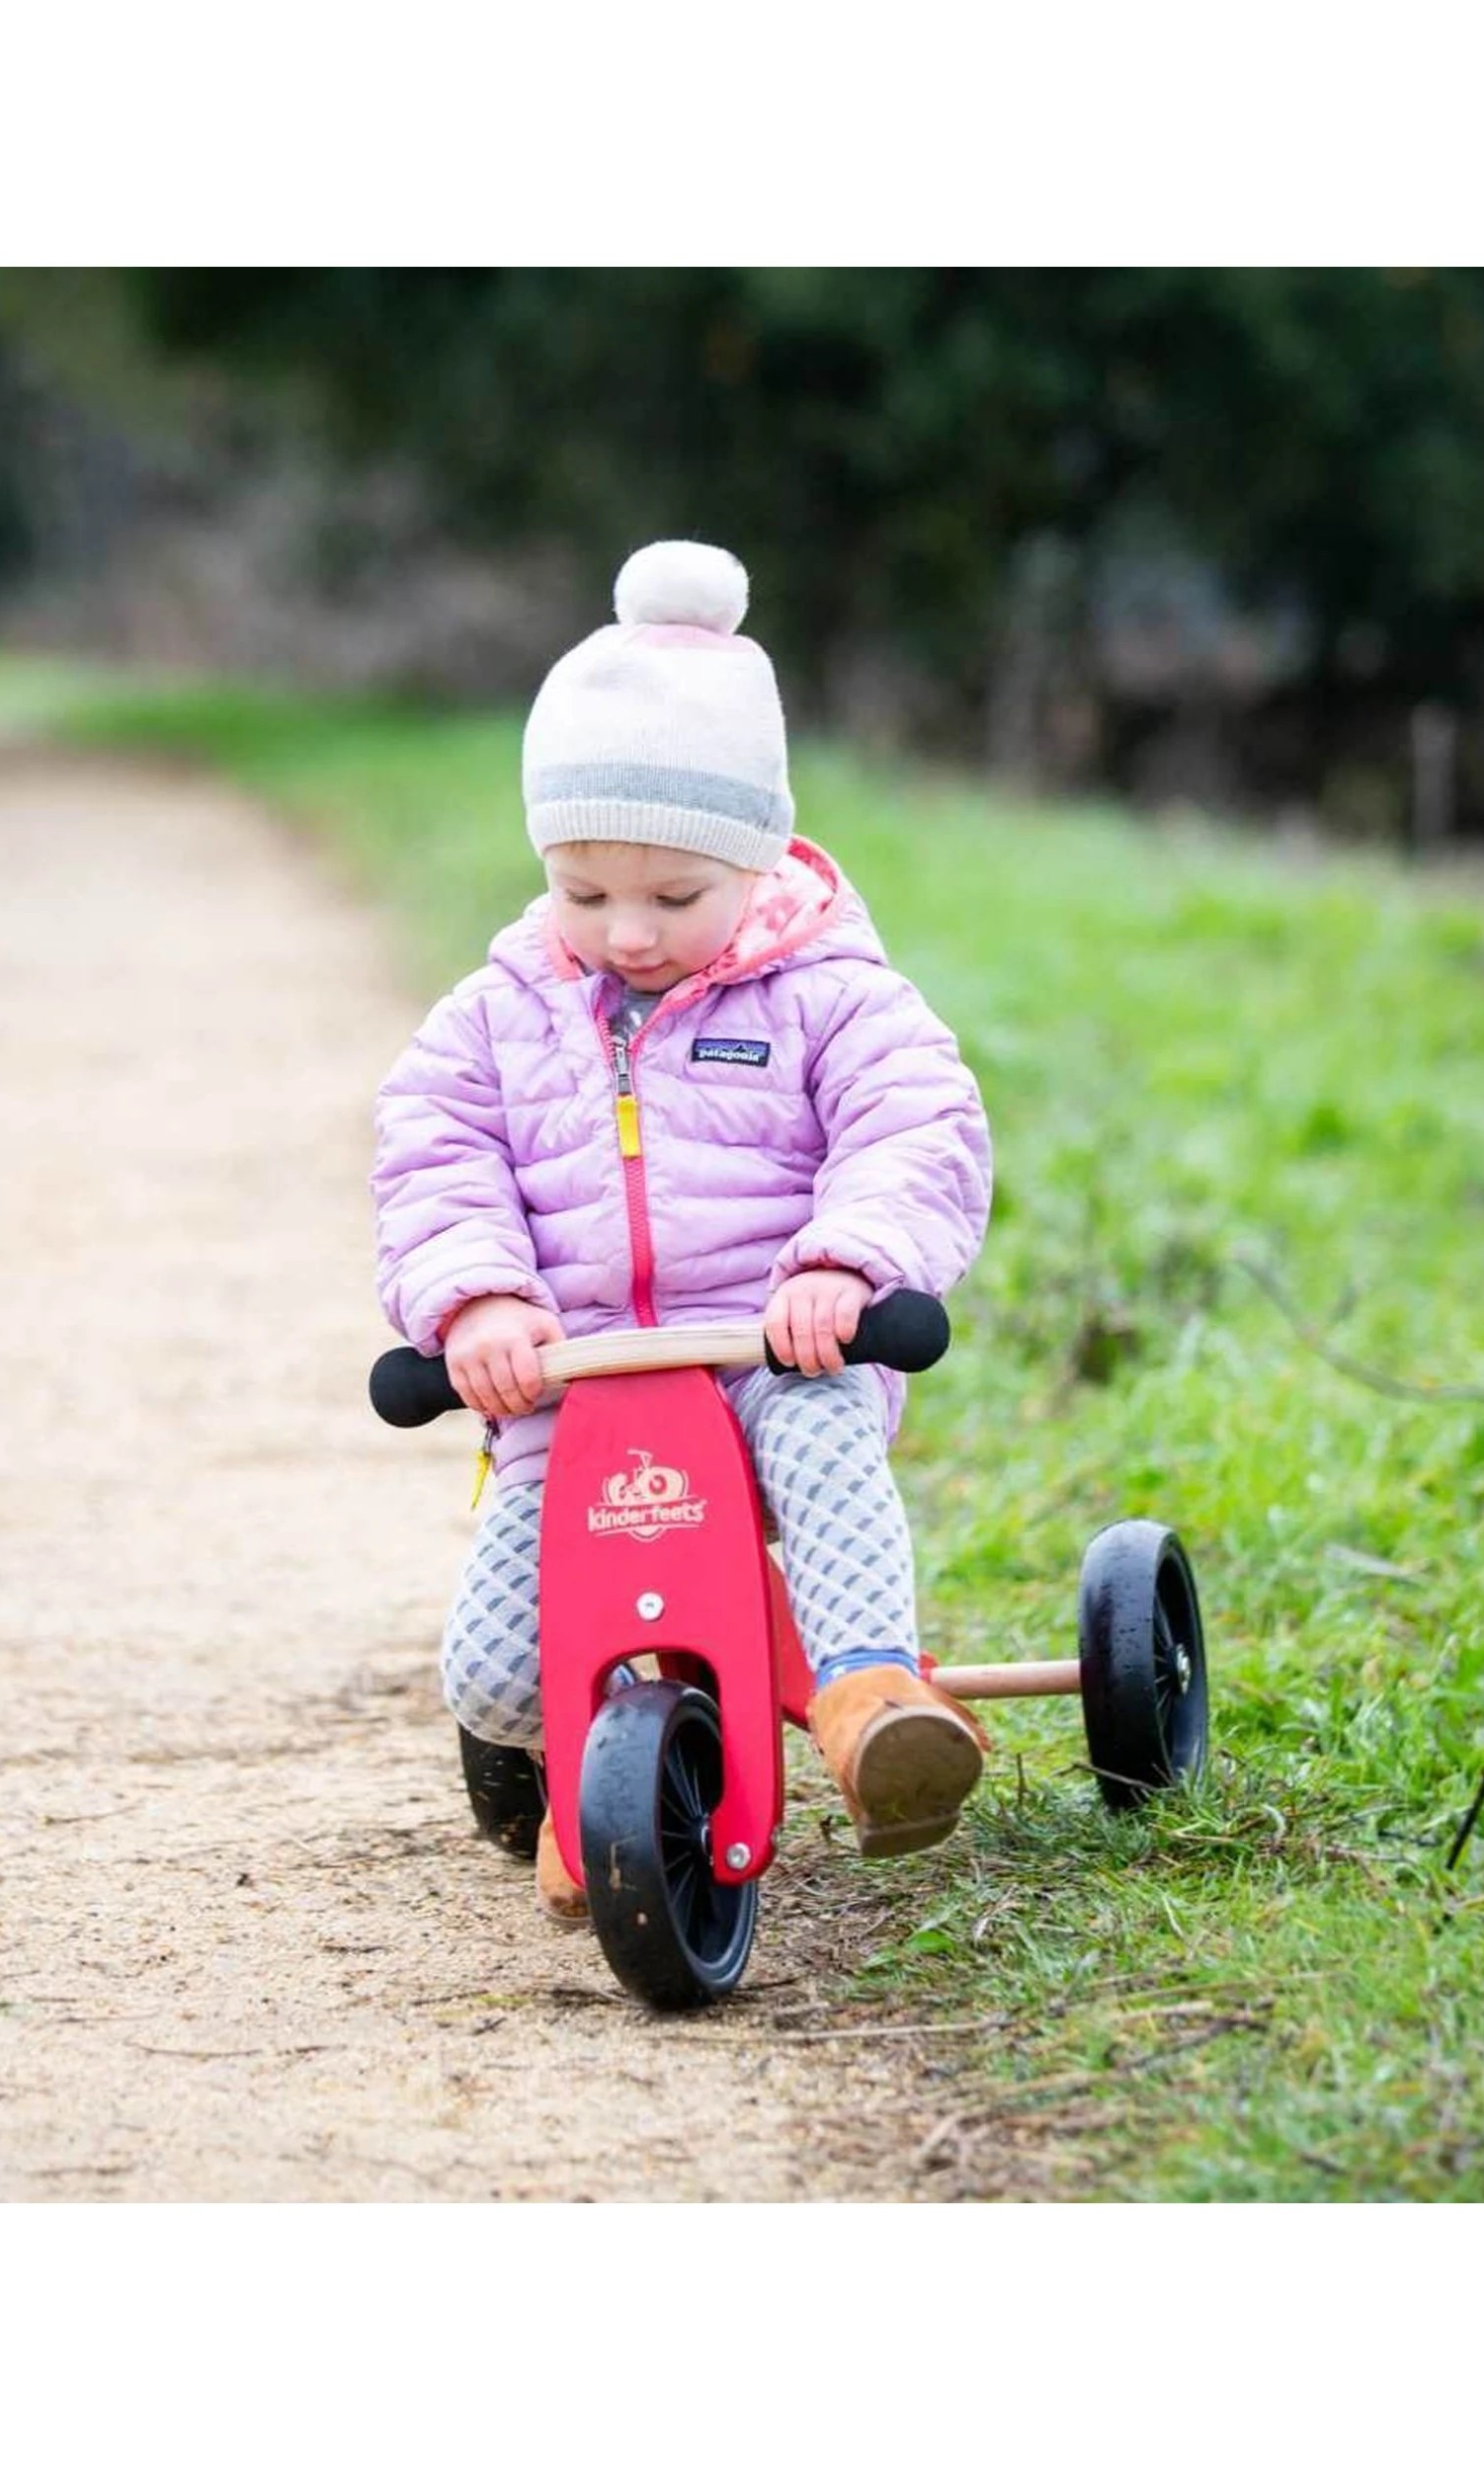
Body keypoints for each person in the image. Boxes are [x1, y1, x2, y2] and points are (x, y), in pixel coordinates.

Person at [372, 539, 994, 1922]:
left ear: (756, 863)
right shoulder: (503, 1012)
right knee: (493, 1678)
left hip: (773, 1351)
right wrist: (476, 1298)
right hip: (579, 1379)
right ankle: (592, 1755)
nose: (629, 934)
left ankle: (869, 1700)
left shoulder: (830, 995)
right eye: (585, 893)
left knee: (821, 1444)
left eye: (672, 897)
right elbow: (432, 1150)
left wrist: (845, 1265)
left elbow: (916, 1125)